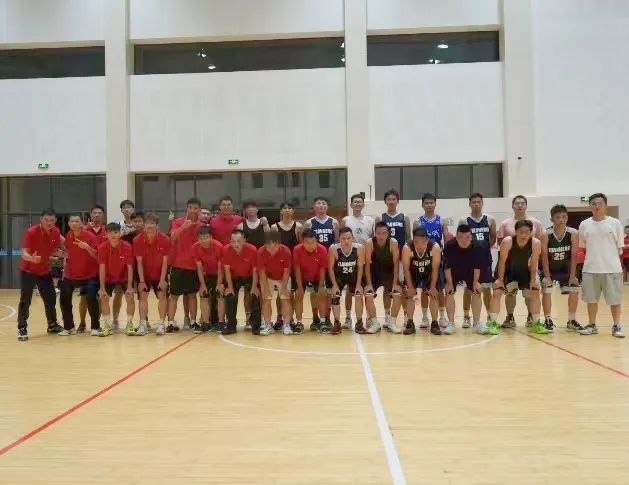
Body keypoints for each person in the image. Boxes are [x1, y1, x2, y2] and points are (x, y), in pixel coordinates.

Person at [577, 193, 625, 338]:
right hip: (590, 269)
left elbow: (620, 248)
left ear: (605, 206)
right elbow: (582, 247)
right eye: (593, 204)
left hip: (612, 269)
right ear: (590, 206)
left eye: (600, 204)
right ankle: (592, 325)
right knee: (591, 300)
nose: (597, 206)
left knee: (615, 300)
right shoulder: (584, 224)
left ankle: (616, 325)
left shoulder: (615, 223)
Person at [489, 220, 547, 334]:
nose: (524, 235)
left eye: (527, 232)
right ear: (516, 231)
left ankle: (536, 322)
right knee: (497, 292)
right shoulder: (508, 241)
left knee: (535, 291)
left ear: (531, 232)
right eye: (521, 232)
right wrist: (500, 280)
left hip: (524, 271)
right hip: (507, 271)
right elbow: (502, 261)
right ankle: (493, 323)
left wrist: (533, 280)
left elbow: (534, 263)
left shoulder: (535, 243)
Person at [16, 208, 64, 341]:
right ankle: (22, 328)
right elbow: (24, 253)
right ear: (41, 219)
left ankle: (52, 325)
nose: (49, 222)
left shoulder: (56, 232)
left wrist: (60, 253)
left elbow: (54, 249)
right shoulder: (31, 232)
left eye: (52, 220)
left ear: (55, 220)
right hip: (28, 271)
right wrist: (31, 258)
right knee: (26, 300)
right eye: (46, 220)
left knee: (51, 298)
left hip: (44, 271)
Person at [497, 195, 544, 328]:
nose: (520, 205)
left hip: (529, 266)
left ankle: (531, 316)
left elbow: (538, 242)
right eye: (517, 203)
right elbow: (501, 243)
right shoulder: (505, 223)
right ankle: (510, 317)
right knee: (510, 292)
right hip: (511, 266)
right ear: (512, 206)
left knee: (530, 293)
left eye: (522, 203)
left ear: (526, 205)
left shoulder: (536, 222)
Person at [540, 204, 581, 332]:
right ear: (552, 219)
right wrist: (547, 276)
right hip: (550, 268)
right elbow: (544, 257)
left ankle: (571, 320)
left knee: (574, 288)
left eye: (564, 217)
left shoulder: (573, 233)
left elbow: (574, 255)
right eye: (558, 217)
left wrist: (573, 276)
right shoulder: (546, 234)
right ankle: (548, 319)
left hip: (565, 268)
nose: (561, 220)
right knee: (547, 289)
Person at [443, 224, 490, 335]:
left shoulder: (478, 247)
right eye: (460, 237)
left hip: (471, 270)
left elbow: (477, 268)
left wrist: (475, 282)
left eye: (467, 237)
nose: (464, 241)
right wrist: (449, 283)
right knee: (449, 292)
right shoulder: (449, 246)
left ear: (471, 237)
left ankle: (476, 324)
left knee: (477, 292)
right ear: (456, 236)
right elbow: (447, 267)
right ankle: (451, 323)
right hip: (454, 271)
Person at [374, 189, 412, 326]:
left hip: (400, 258)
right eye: (389, 199)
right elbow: (376, 237)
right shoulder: (380, 218)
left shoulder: (404, 217)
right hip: (385, 258)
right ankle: (387, 315)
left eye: (393, 199)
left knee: (402, 287)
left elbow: (408, 238)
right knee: (387, 287)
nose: (391, 201)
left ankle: (407, 315)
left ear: (397, 201)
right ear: (385, 201)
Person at [58, 214, 100, 336]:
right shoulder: (68, 236)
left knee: (91, 299)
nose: (74, 223)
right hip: (70, 275)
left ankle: (95, 327)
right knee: (64, 299)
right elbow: (68, 253)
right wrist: (61, 254)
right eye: (72, 221)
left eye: (77, 221)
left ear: (81, 223)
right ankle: (69, 327)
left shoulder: (90, 236)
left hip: (88, 275)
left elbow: (97, 255)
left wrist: (87, 247)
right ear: (69, 223)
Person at [458, 193, 496, 327]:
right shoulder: (464, 220)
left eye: (478, 202)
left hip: (485, 259)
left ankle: (490, 316)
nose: (476, 204)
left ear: (482, 203)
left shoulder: (490, 220)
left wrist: (482, 249)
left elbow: (493, 239)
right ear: (470, 204)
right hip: (469, 260)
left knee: (486, 289)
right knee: (468, 289)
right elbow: (460, 239)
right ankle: (466, 317)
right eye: (473, 202)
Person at [167, 197, 203, 333]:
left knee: (192, 295)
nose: (193, 210)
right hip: (178, 265)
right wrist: (184, 227)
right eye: (190, 207)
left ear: (199, 209)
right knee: (174, 296)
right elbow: (172, 237)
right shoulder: (177, 222)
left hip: (193, 266)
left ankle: (193, 322)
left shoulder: (202, 226)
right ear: (187, 208)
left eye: (195, 208)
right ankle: (171, 322)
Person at [414, 193, 449, 328]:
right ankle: (424, 317)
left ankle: (442, 316)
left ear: (435, 204)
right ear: (422, 205)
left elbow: (446, 240)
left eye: (431, 203)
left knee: (439, 290)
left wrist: (447, 258)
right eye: (426, 203)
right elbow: (415, 242)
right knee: (424, 290)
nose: (429, 205)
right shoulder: (418, 222)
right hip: (423, 259)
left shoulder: (442, 220)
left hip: (438, 259)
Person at [304, 196, 339, 329]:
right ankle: (315, 318)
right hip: (314, 261)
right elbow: (305, 242)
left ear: (327, 207)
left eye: (324, 203)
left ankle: (327, 318)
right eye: (318, 203)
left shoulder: (334, 222)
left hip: (329, 261)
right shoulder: (309, 223)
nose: (321, 205)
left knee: (328, 291)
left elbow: (336, 242)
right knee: (314, 292)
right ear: (314, 207)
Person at [341, 193, 374, 329]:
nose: (358, 204)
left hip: (366, 259)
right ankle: (348, 317)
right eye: (355, 202)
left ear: (363, 204)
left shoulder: (370, 221)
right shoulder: (346, 220)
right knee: (350, 290)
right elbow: (342, 238)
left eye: (360, 201)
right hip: (350, 259)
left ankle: (369, 318)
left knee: (366, 290)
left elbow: (372, 240)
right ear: (351, 205)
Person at [134, 212, 170, 336]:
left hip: (159, 273)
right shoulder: (137, 240)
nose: (149, 225)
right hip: (144, 274)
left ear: (157, 226)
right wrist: (141, 281)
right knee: (142, 296)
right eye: (147, 223)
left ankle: (161, 323)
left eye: (152, 223)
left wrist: (162, 280)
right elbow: (139, 262)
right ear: (144, 225)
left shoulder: (165, 239)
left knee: (162, 295)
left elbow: (165, 261)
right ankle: (143, 323)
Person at [401, 228, 442, 335]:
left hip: (429, 272)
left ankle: (434, 323)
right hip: (413, 272)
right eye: (416, 242)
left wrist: (432, 287)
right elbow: (406, 269)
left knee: (434, 294)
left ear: (427, 240)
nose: (419, 245)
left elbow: (435, 269)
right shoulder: (407, 248)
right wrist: (410, 287)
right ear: (413, 240)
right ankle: (410, 323)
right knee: (410, 295)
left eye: (422, 242)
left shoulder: (435, 247)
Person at [364, 221, 403, 333]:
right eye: (378, 233)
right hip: (375, 272)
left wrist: (395, 283)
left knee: (397, 293)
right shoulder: (369, 243)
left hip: (389, 271)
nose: (381, 236)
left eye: (384, 233)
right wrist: (369, 284)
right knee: (368, 294)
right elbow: (367, 265)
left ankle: (392, 322)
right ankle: (374, 323)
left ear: (388, 233)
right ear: (375, 233)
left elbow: (396, 265)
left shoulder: (393, 243)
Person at [97, 223, 135, 337]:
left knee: (130, 297)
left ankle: (129, 324)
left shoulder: (127, 246)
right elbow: (102, 268)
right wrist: (102, 288)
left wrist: (129, 287)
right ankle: (107, 325)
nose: (113, 235)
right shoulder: (102, 247)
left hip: (124, 277)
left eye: (115, 232)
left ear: (120, 234)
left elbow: (130, 267)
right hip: (108, 277)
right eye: (110, 232)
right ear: (106, 234)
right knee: (104, 298)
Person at [221, 229, 260, 335]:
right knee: (230, 296)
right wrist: (230, 287)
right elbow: (227, 270)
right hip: (234, 277)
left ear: (244, 240)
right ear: (230, 241)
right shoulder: (226, 250)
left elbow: (255, 270)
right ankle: (231, 326)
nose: (236, 244)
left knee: (255, 295)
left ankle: (255, 326)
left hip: (249, 276)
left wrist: (254, 287)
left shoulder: (252, 250)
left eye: (238, 241)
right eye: (233, 241)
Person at [237, 200, 269, 329]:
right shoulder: (241, 226)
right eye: (248, 208)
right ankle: (248, 318)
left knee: (262, 292)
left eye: (253, 207)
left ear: (257, 210)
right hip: (247, 263)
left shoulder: (264, 223)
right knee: (248, 292)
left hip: (261, 262)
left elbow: (269, 241)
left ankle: (261, 318)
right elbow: (238, 243)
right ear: (245, 211)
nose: (250, 210)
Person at [327, 227, 365, 335]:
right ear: (339, 239)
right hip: (340, 277)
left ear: (352, 238)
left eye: (348, 238)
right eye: (343, 238)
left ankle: (359, 322)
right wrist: (334, 285)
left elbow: (360, 267)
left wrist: (358, 285)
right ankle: (337, 323)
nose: (346, 241)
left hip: (353, 276)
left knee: (358, 294)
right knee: (335, 295)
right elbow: (330, 268)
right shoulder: (333, 248)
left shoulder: (359, 248)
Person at [257, 232, 293, 335]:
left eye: (272, 245)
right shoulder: (261, 251)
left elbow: (287, 271)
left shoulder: (286, 251)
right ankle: (268, 325)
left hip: (283, 277)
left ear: (278, 244)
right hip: (268, 277)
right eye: (267, 244)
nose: (269, 248)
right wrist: (265, 288)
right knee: (266, 299)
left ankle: (286, 325)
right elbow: (262, 272)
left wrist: (284, 288)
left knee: (285, 299)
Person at [293, 229, 328, 334]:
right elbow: (297, 269)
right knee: (298, 295)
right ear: (302, 242)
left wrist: (321, 286)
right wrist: (299, 287)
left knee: (322, 294)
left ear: (316, 241)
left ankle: (322, 322)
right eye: (307, 242)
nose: (310, 245)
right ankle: (299, 323)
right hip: (303, 277)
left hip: (317, 277)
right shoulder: (297, 250)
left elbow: (322, 269)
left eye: (313, 242)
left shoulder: (322, 250)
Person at [193, 225, 225, 333]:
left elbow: (221, 267)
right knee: (203, 295)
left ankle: (221, 322)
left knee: (220, 295)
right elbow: (199, 267)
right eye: (201, 238)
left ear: (211, 237)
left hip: (219, 274)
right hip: (207, 274)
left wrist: (219, 283)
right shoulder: (195, 248)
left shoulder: (219, 246)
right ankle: (206, 323)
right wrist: (202, 285)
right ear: (198, 238)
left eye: (206, 237)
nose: (204, 240)